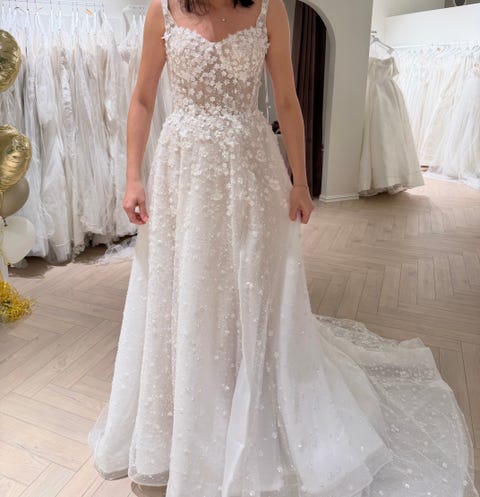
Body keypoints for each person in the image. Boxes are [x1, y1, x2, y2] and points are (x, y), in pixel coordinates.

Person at [87, 0, 479, 496]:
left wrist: (300, 181)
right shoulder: (162, 10)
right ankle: (184, 414)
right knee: (185, 287)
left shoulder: (268, 8)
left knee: (252, 286)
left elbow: (287, 100)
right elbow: (143, 98)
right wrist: (132, 177)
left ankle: (252, 395)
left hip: (251, 168)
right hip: (183, 171)